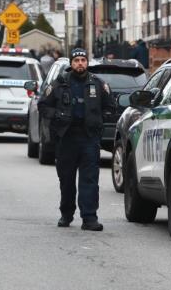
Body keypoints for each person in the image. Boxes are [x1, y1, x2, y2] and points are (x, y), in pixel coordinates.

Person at [38, 48, 114, 231]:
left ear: (87, 63)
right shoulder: (60, 83)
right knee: (66, 179)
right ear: (71, 64)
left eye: (83, 60)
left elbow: (110, 107)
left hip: (89, 138)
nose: (80, 63)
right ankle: (66, 214)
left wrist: (99, 120)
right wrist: (58, 117)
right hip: (67, 138)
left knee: (90, 180)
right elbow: (43, 105)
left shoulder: (98, 84)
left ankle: (89, 218)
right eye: (76, 60)